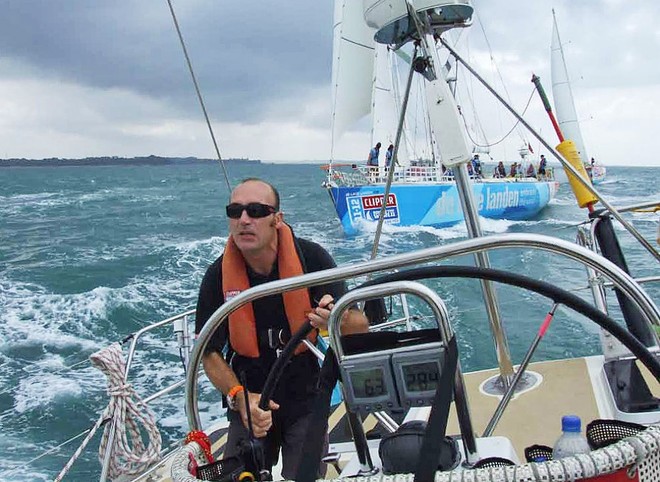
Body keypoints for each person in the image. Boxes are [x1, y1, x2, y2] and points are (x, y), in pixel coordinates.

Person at [195, 178, 369, 479]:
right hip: (249, 398)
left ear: (277, 219)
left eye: (256, 210)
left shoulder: (312, 259)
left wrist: (336, 319)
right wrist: (239, 396)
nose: (244, 219)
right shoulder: (217, 276)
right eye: (235, 211)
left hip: (304, 394)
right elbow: (207, 352)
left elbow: (359, 327)